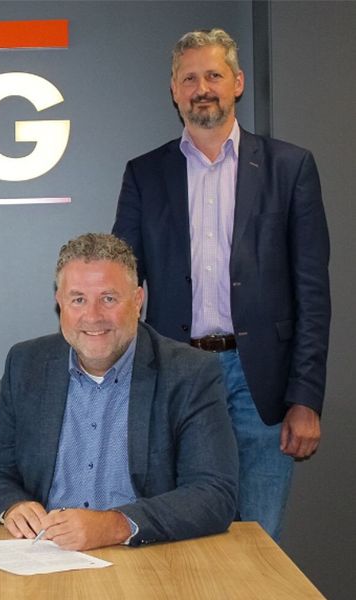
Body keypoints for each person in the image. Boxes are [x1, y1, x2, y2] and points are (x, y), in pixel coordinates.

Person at [112, 29, 330, 541]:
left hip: (263, 387)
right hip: (177, 377)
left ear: (238, 82)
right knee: (179, 536)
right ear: (174, 90)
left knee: (258, 539)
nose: (202, 88)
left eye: (213, 75)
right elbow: (122, 282)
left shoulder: (289, 167)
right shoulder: (145, 174)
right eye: (189, 78)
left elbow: (313, 294)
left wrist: (306, 398)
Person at [0, 233, 237, 551]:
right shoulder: (27, 364)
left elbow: (213, 493)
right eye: (78, 300)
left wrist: (117, 525)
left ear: (137, 301)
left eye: (108, 299)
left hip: (147, 554)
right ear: (60, 302)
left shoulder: (189, 373)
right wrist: (12, 504)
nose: (93, 316)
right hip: (46, 553)